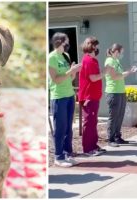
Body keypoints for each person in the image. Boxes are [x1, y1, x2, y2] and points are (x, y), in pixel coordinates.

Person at [49, 32, 81, 167]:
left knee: (69, 127)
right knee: (60, 128)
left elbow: (70, 78)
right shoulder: (51, 58)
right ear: (59, 42)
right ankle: (58, 156)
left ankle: (68, 154)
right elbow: (56, 80)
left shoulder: (66, 56)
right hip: (58, 97)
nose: (68, 44)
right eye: (66, 41)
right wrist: (70, 71)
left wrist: (73, 71)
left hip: (69, 95)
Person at [78, 37, 110, 156]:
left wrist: (102, 72)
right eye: (95, 45)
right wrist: (104, 72)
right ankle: (87, 149)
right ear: (90, 46)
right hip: (88, 97)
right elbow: (93, 77)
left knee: (93, 122)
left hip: (94, 96)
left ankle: (94, 145)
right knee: (89, 122)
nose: (97, 48)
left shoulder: (93, 60)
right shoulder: (88, 60)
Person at [104, 43, 137, 147]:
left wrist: (128, 72)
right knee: (113, 116)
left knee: (120, 115)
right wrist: (128, 72)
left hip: (120, 91)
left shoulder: (117, 61)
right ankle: (111, 139)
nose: (122, 54)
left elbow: (120, 75)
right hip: (113, 92)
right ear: (116, 52)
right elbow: (114, 76)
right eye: (121, 52)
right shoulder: (109, 61)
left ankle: (118, 136)